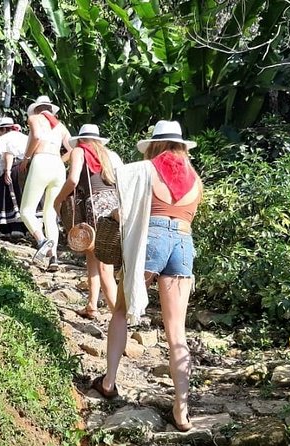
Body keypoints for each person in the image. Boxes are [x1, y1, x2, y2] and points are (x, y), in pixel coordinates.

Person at [90, 121, 203, 432]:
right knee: (176, 329)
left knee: (121, 311)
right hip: (183, 242)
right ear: (181, 146)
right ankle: (181, 409)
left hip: (151, 240)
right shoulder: (195, 178)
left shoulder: (144, 169)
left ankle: (109, 382)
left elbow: (118, 194)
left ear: (154, 145)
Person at [54, 124, 123, 319]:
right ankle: (92, 304)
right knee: (93, 254)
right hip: (115, 205)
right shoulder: (110, 155)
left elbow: (73, 180)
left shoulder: (78, 151)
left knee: (104, 266)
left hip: (96, 207)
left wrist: (58, 200)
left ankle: (120, 319)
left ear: (80, 140)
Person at [20, 95, 73, 271]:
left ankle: (42, 240)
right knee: (50, 214)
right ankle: (54, 257)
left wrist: (26, 158)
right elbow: (73, 149)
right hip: (57, 165)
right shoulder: (61, 126)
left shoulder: (34, 118)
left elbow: (35, 136)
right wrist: (61, 160)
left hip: (41, 161)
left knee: (26, 210)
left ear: (37, 109)